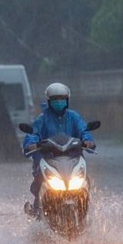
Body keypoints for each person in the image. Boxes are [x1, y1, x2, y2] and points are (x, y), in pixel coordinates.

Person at [23, 82, 96, 213]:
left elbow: (84, 131)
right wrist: (31, 144)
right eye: (55, 99)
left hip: (72, 157)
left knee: (84, 179)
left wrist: (88, 141)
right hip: (49, 158)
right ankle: (37, 207)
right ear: (49, 101)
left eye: (61, 99)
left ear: (67, 100)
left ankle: (86, 206)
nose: (58, 102)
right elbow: (33, 134)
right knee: (39, 179)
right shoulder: (43, 119)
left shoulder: (74, 117)